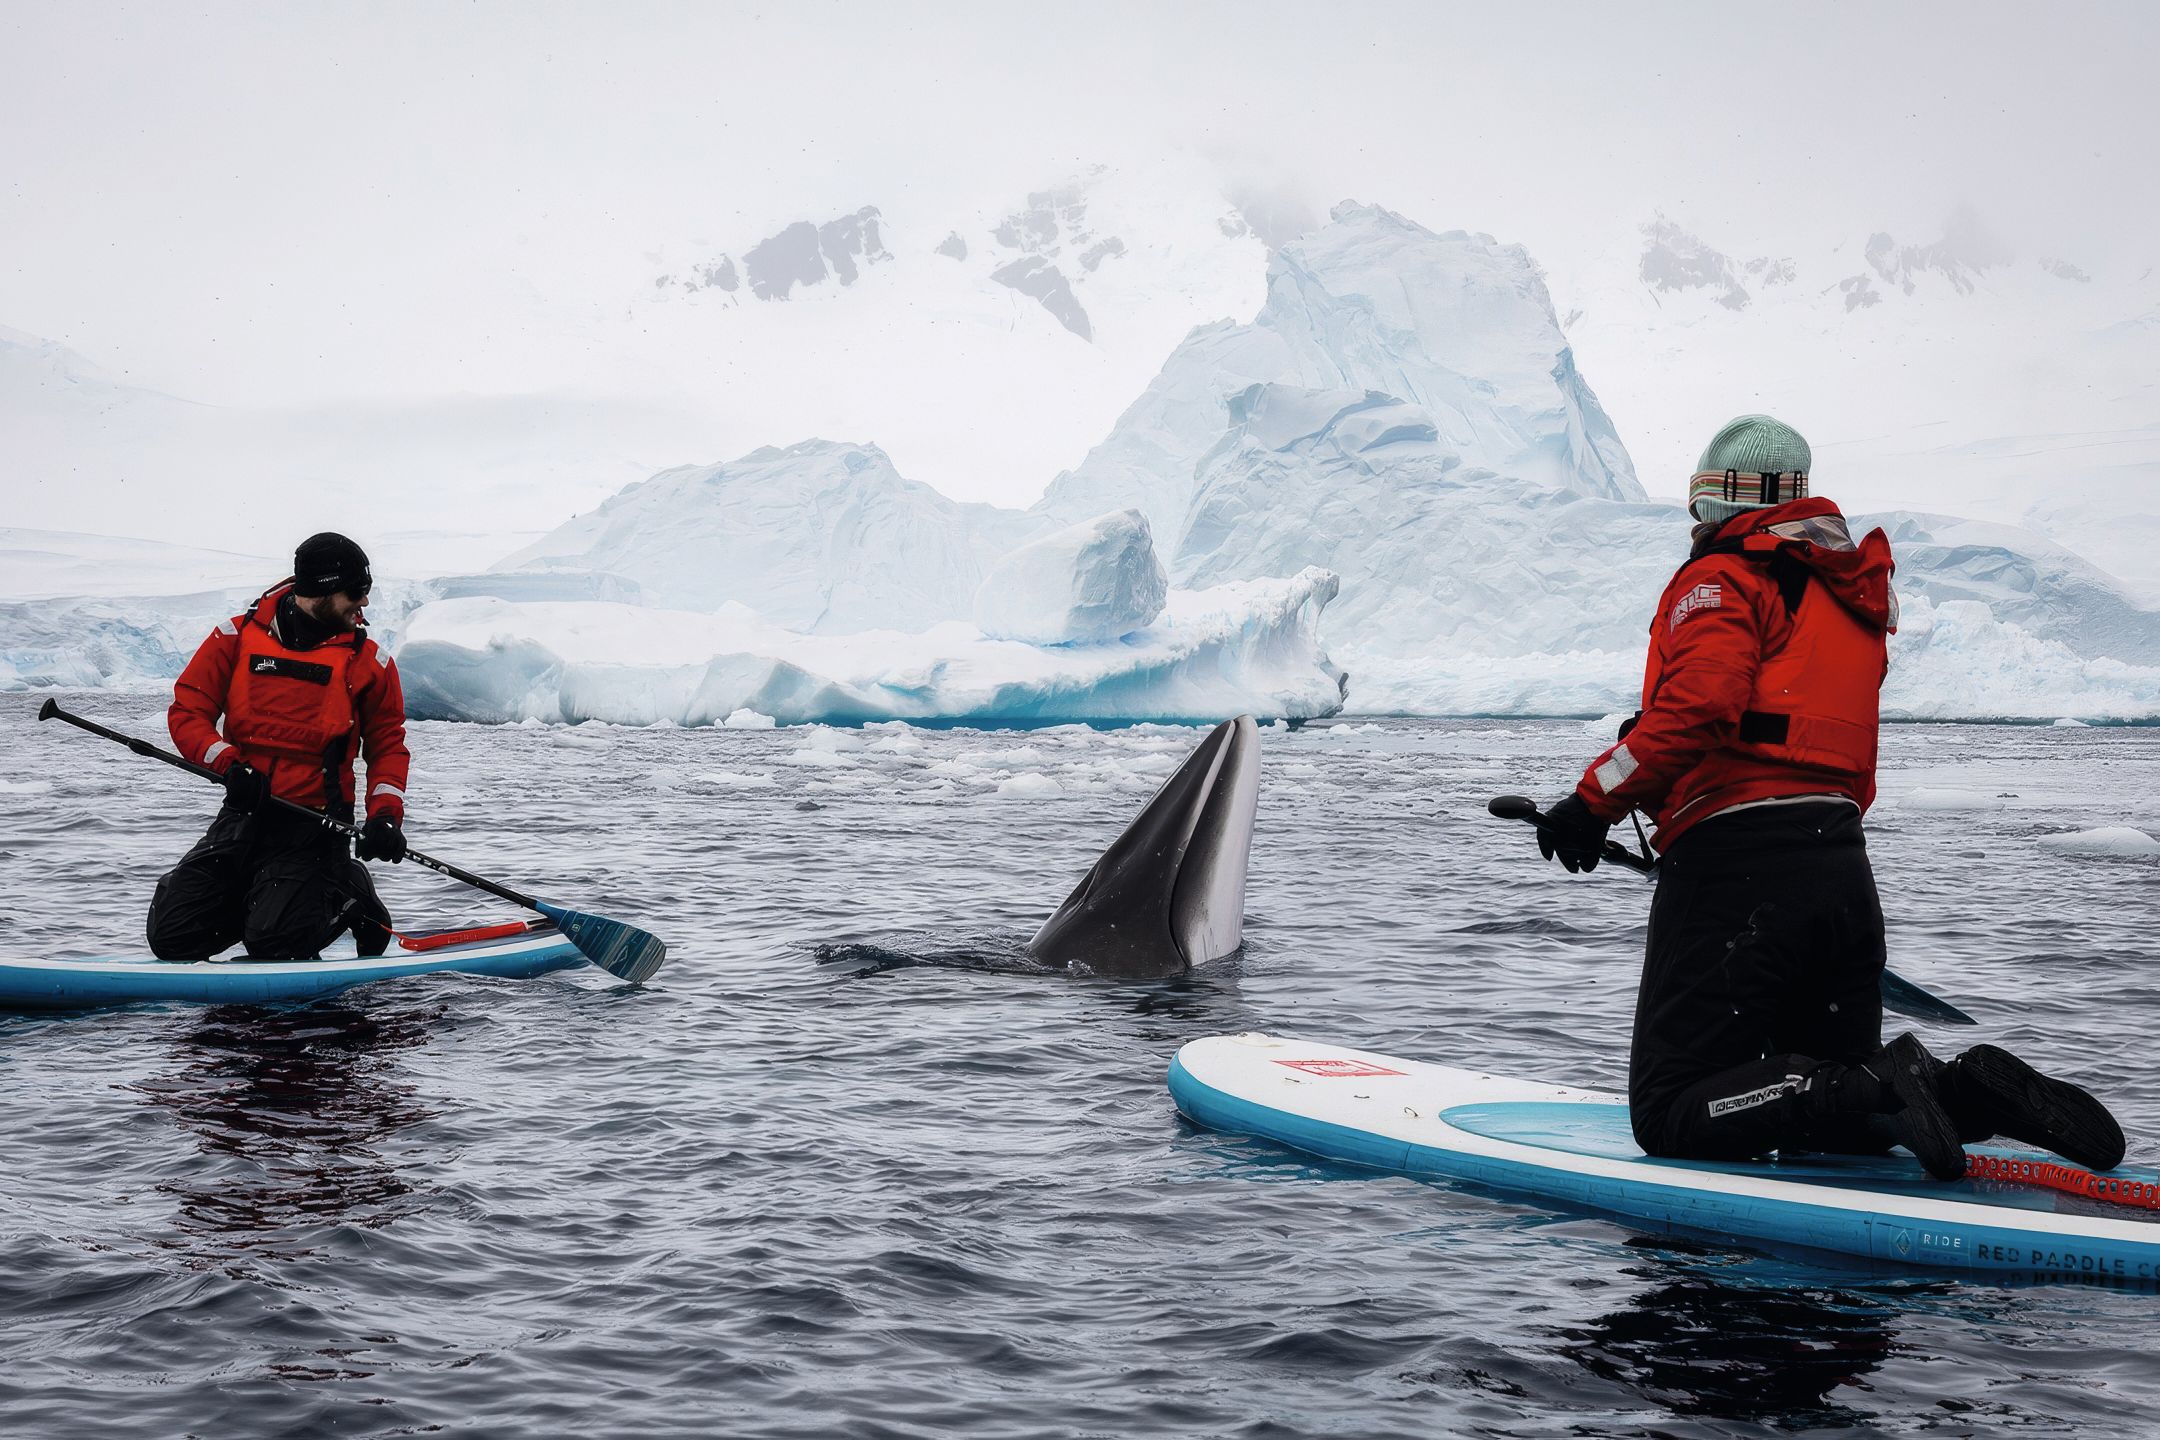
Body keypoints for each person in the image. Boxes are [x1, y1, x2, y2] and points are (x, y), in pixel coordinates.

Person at [1535, 415, 2124, 1179]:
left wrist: (1592, 804)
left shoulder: (1725, 577)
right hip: (1841, 866)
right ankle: (1962, 1090)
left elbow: (1701, 708)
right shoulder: (1851, 595)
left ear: (1720, 498)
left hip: (1738, 869)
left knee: (1671, 1112)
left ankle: (1883, 1081)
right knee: (1840, 1120)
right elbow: (1818, 738)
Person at [146, 532, 411, 961]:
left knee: (275, 945)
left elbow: (388, 747)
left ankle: (346, 893)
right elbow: (188, 712)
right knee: (172, 938)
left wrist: (384, 817)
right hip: (245, 811)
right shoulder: (233, 639)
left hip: (317, 824)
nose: (364, 603)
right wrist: (228, 765)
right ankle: (276, 901)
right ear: (321, 590)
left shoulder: (370, 664)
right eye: (355, 592)